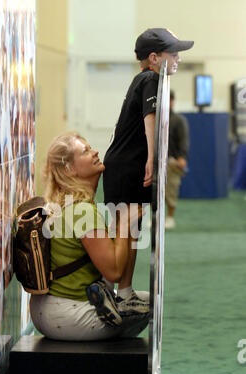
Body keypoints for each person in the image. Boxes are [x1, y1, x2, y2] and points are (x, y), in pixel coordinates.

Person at [30, 132, 150, 342]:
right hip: (67, 315)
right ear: (69, 168)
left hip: (44, 311)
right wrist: (124, 222)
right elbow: (114, 271)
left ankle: (108, 306)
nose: (95, 152)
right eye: (85, 151)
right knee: (150, 305)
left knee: (132, 301)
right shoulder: (82, 211)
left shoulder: (63, 203)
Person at [103, 28, 194, 306]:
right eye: (173, 53)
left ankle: (124, 290)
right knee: (125, 228)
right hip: (128, 166)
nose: (178, 58)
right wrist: (153, 160)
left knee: (131, 229)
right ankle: (107, 288)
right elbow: (149, 120)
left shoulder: (145, 78)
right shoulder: (151, 78)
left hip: (126, 165)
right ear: (154, 58)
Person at [165, 90, 190, 230]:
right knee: (154, 191)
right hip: (157, 161)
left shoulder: (178, 120)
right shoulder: (154, 118)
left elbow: (183, 141)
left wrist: (182, 157)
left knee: (171, 190)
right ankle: (155, 217)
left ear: (172, 101)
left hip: (172, 162)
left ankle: (170, 218)